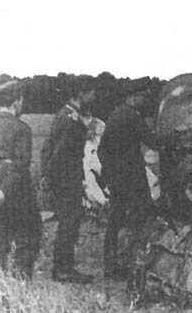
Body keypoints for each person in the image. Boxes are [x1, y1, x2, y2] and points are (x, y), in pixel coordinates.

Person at [97, 90, 162, 280]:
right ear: (132, 97)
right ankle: (136, 263)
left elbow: (102, 150)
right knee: (142, 219)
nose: (144, 101)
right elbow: (153, 142)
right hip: (132, 179)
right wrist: (173, 139)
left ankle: (111, 267)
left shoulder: (115, 115)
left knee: (115, 222)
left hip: (118, 180)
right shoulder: (132, 117)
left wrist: (111, 174)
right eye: (142, 97)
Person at [40, 78, 96, 284]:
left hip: (64, 178)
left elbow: (48, 148)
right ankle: (63, 269)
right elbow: (59, 153)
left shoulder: (65, 115)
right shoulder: (71, 120)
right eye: (91, 92)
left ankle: (63, 267)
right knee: (69, 224)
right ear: (81, 93)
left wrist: (47, 175)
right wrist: (50, 179)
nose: (95, 97)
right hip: (66, 180)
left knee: (68, 223)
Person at [0, 80, 42, 279]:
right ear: (16, 102)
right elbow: (20, 165)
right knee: (29, 235)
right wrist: (4, 191)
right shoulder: (22, 129)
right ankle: (21, 284)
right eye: (21, 100)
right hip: (17, 194)